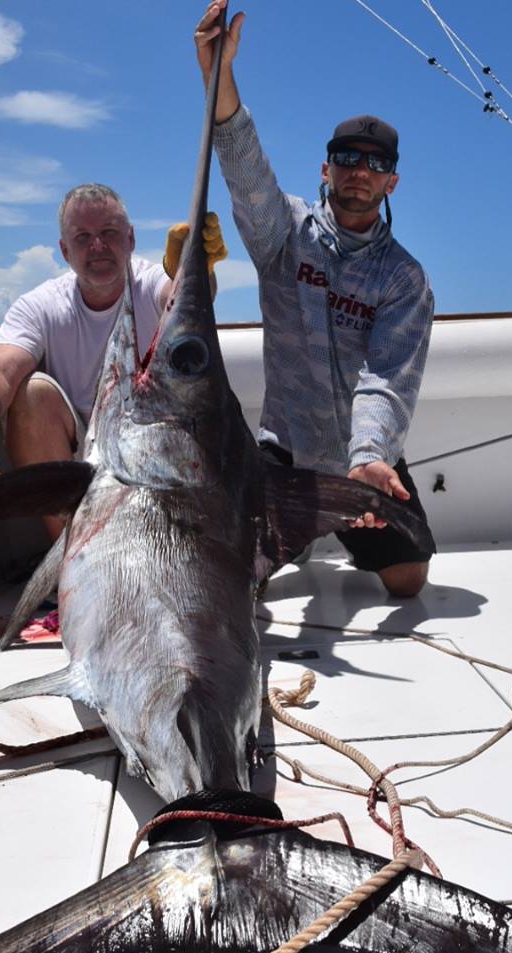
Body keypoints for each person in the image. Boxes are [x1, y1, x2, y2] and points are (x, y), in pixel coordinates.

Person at [194, 1, 435, 597]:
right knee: (230, 580)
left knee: (408, 580)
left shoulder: (404, 278)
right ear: (325, 169)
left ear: (391, 182)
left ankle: (338, 531)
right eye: (348, 159)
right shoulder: (284, 237)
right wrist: (217, 75)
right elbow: (246, 174)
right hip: (284, 455)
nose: (361, 171)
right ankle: (295, 535)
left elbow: (387, 378)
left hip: (360, 460)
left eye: (376, 164)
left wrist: (370, 458)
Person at [0, 182, 226, 539]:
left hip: (155, 450)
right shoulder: (40, 305)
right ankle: (70, 557)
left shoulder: (153, 282)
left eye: (109, 233)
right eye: (83, 236)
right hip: (79, 459)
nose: (98, 246)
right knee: (31, 394)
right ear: (64, 250)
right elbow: (1, 366)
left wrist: (193, 271)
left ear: (131, 239)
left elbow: (187, 304)